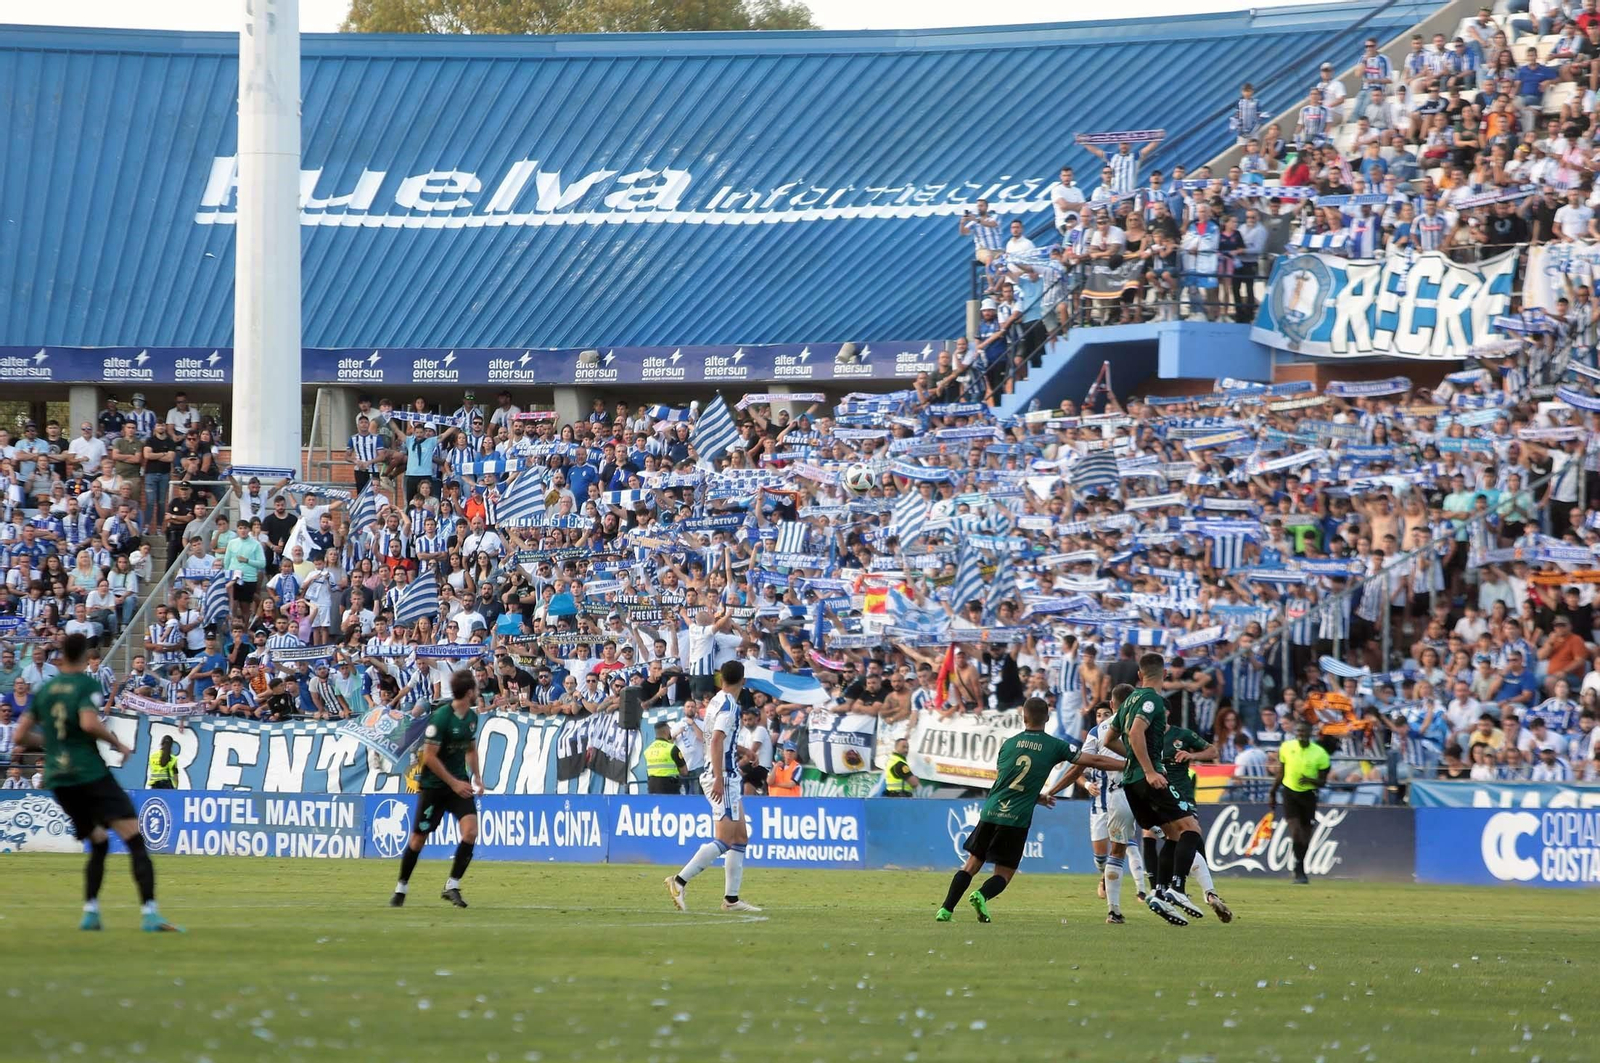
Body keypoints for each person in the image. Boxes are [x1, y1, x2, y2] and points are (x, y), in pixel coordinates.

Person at [8, 633, 180, 932]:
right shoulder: (86, 684)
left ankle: (91, 912)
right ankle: (150, 914)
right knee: (134, 839)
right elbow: (89, 723)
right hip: (89, 773)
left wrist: (53, 741)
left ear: (61, 654)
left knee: (98, 841)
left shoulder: (47, 689)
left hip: (59, 779)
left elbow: (20, 736)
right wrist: (117, 743)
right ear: (87, 655)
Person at [934, 696, 1123, 923]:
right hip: (1016, 818)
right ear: (1048, 717)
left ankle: (945, 910)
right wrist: (1127, 763)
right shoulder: (1055, 745)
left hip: (991, 811)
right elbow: (1094, 761)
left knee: (972, 863)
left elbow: (1008, 782)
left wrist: (1036, 797)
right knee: (1005, 872)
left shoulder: (1009, 744)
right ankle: (981, 895)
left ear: (1023, 717)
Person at [1102, 651, 1207, 927]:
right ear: (1166, 674)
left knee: (1172, 834)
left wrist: (1135, 761)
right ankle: (1177, 888)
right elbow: (1136, 733)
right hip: (1149, 778)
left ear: (1139, 674)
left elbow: (1108, 739)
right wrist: (1148, 769)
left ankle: (1159, 892)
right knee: (1191, 830)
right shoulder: (1152, 700)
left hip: (1130, 783)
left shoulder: (1128, 701)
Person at [664, 660, 761, 913]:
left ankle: (731, 900)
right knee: (725, 839)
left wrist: (743, 750)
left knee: (740, 837)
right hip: (724, 776)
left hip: (723, 773)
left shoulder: (717, 700)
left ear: (721, 679)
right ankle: (678, 880)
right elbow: (716, 740)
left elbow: (715, 738)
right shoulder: (730, 706)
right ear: (744, 681)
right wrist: (719, 777)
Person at [389, 669, 483, 909]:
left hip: (459, 784)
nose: (478, 691)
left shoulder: (472, 718)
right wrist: (454, 783)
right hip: (435, 786)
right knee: (418, 839)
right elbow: (429, 757)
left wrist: (477, 779)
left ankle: (452, 885)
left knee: (470, 831)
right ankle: (402, 887)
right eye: (476, 687)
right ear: (470, 691)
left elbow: (471, 749)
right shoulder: (441, 717)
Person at [1046, 693, 1142, 924]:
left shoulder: (1099, 732)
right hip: (1137, 795)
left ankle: (1118, 908)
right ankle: (1171, 890)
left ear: (1112, 704)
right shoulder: (1143, 726)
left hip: (1117, 796)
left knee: (1120, 850)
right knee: (1117, 852)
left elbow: (1081, 764)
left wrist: (1052, 790)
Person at [1269, 717, 1332, 884]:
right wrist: (1273, 792)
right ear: (1295, 733)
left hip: (1308, 795)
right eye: (1298, 732)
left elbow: (1323, 781)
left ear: (1310, 733)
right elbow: (1281, 772)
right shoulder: (1286, 748)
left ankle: (1300, 866)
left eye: (1304, 732)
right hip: (1289, 793)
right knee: (1295, 831)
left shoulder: (1320, 754)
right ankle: (1298, 870)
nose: (1301, 735)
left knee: (1305, 834)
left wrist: (1310, 781)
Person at [643, 720, 686, 794]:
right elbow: (684, 771)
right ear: (666, 731)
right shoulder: (672, 748)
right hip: (670, 788)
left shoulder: (648, 750)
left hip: (652, 787)